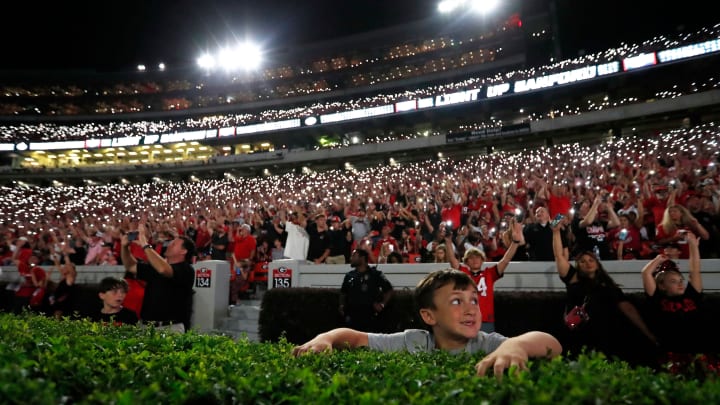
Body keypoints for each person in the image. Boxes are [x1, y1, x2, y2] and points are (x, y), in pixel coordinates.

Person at [293, 269, 562, 380]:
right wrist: (325, 339)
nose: (470, 309)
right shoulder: (415, 341)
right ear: (429, 316)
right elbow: (355, 338)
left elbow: (552, 344)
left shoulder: (489, 344)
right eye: (456, 302)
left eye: (473, 300)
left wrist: (516, 347)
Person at [551, 220, 659, 365]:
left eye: (591, 260)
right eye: (582, 261)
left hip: (606, 336)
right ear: (578, 266)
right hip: (577, 336)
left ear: (597, 264)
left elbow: (628, 309)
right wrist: (556, 232)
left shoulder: (609, 286)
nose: (587, 263)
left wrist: (648, 333)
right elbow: (559, 256)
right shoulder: (573, 278)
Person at [641, 232, 711, 361]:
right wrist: (658, 259)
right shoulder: (658, 299)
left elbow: (694, 270)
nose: (680, 284)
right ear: (662, 286)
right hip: (671, 352)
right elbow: (646, 273)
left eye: (680, 281)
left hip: (698, 350)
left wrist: (693, 245)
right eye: (673, 281)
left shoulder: (692, 295)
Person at [448, 218, 524, 333]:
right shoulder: (463, 273)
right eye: (471, 258)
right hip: (466, 319)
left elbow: (506, 259)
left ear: (483, 260)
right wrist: (448, 241)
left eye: (477, 257)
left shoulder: (489, 273)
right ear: (466, 261)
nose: (474, 260)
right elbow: (453, 261)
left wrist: (515, 243)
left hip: (486, 320)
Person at [120, 226, 196, 333]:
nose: (169, 245)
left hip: (170, 328)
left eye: (173, 244)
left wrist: (145, 244)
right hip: (146, 326)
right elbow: (131, 266)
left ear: (183, 251)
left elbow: (163, 270)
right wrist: (124, 247)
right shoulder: (156, 266)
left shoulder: (186, 269)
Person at [339, 249, 394, 332]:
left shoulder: (375, 274)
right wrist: (342, 306)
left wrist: (382, 304)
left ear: (362, 258)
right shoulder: (349, 275)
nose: (351, 258)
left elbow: (389, 290)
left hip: (370, 317)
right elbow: (343, 293)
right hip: (352, 316)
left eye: (354, 255)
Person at [46, 252, 77, 318]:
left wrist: (66, 255)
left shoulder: (70, 277)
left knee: (58, 315)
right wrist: (53, 254)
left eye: (65, 267)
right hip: (57, 301)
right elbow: (58, 265)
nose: (63, 268)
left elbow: (69, 266)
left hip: (64, 303)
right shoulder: (64, 277)